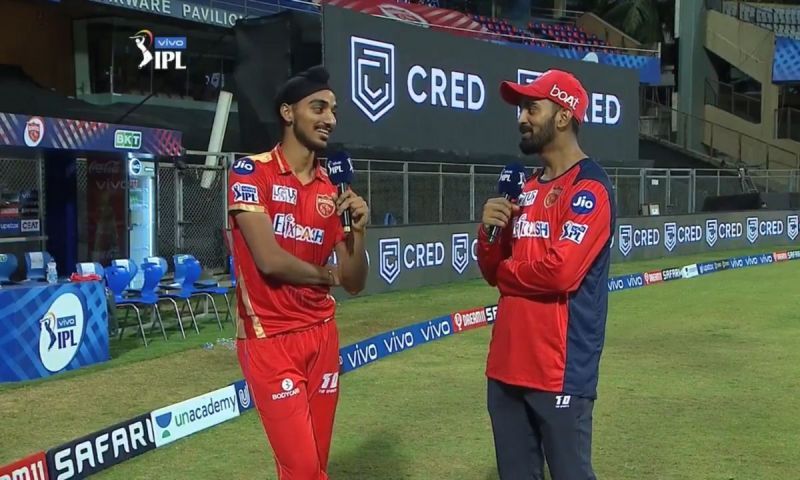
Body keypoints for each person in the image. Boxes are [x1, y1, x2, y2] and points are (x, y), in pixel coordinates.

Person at [227, 65, 369, 480]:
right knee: (303, 469)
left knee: (315, 467)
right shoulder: (251, 172)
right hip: (269, 338)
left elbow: (355, 282)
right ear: (288, 113)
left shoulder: (335, 190)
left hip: (322, 335)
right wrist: (327, 278)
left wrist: (358, 232)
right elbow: (269, 261)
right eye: (318, 107)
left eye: (334, 111)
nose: (330, 119)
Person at [477, 69, 617, 480]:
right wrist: (488, 233)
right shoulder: (523, 189)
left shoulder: (590, 188)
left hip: (559, 372)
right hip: (504, 369)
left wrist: (507, 274)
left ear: (563, 116)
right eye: (521, 108)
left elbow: (560, 273)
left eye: (532, 107)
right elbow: (490, 270)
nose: (522, 117)